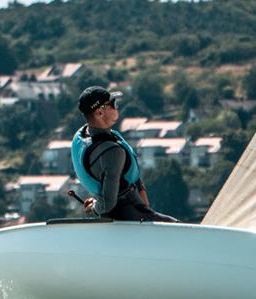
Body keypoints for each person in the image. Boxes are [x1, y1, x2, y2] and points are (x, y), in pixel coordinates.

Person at [71, 86, 177, 222]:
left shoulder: (85, 135)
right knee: (179, 227)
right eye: (113, 104)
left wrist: (140, 188)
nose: (117, 108)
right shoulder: (112, 152)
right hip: (128, 216)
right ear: (99, 113)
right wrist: (94, 207)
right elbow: (108, 204)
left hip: (123, 214)